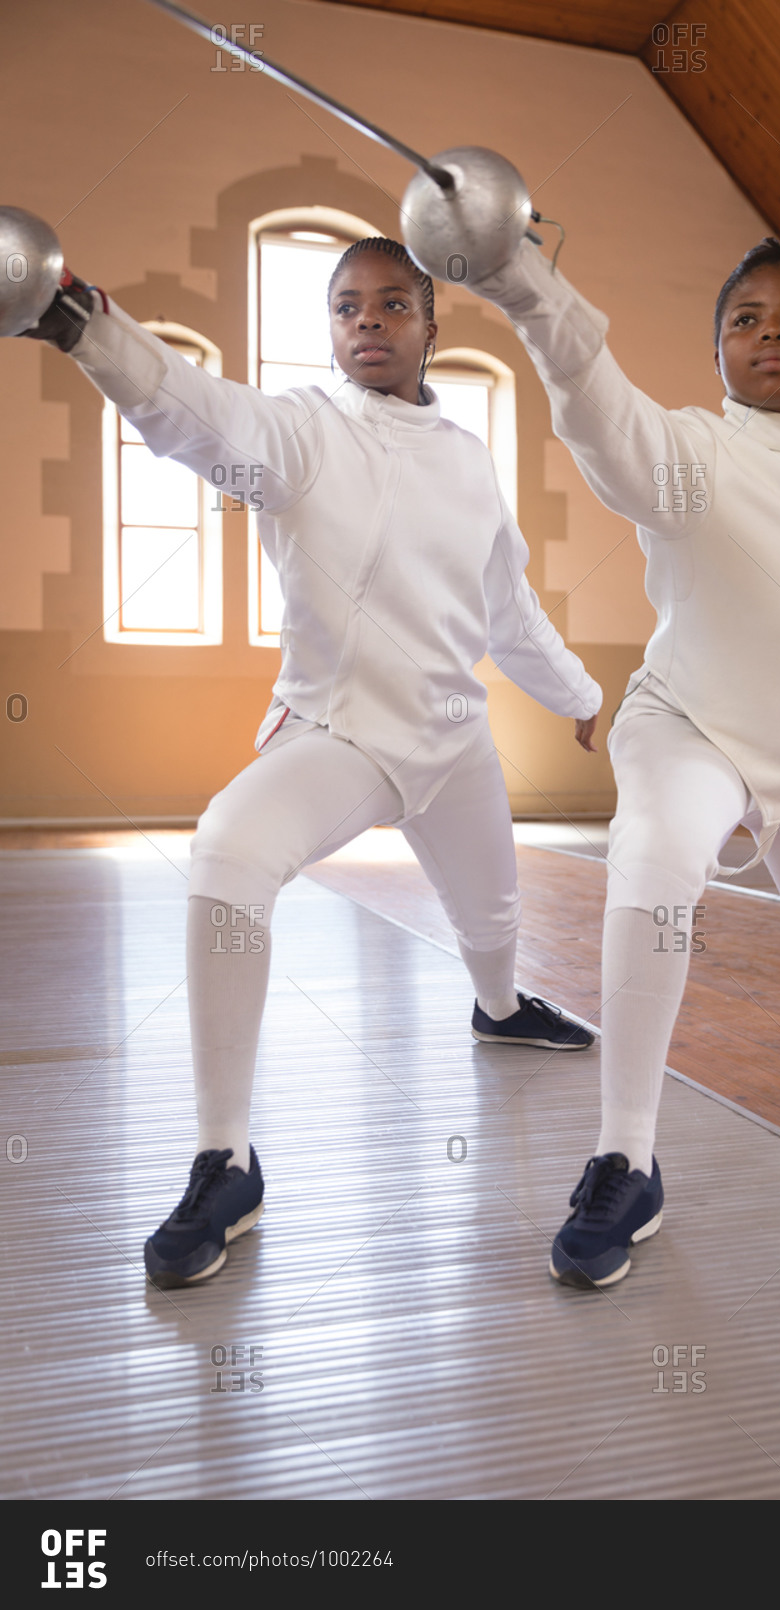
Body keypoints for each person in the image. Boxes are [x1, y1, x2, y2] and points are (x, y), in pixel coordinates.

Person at [19, 237, 602, 1287]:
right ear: (330, 329)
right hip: (343, 734)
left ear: (433, 321)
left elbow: (508, 609)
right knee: (230, 845)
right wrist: (86, 327)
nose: (367, 323)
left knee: (494, 922)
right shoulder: (300, 433)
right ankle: (224, 1159)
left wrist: (583, 698)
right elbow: (195, 410)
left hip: (454, 736)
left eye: (390, 304)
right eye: (346, 308)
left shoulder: (471, 460)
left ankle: (502, 1010)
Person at [467, 232, 780, 1288]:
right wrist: (529, 287)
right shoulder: (690, 451)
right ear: (717, 350)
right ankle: (624, 1157)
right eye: (746, 320)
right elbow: (599, 409)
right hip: (688, 724)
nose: (771, 334)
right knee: (654, 869)